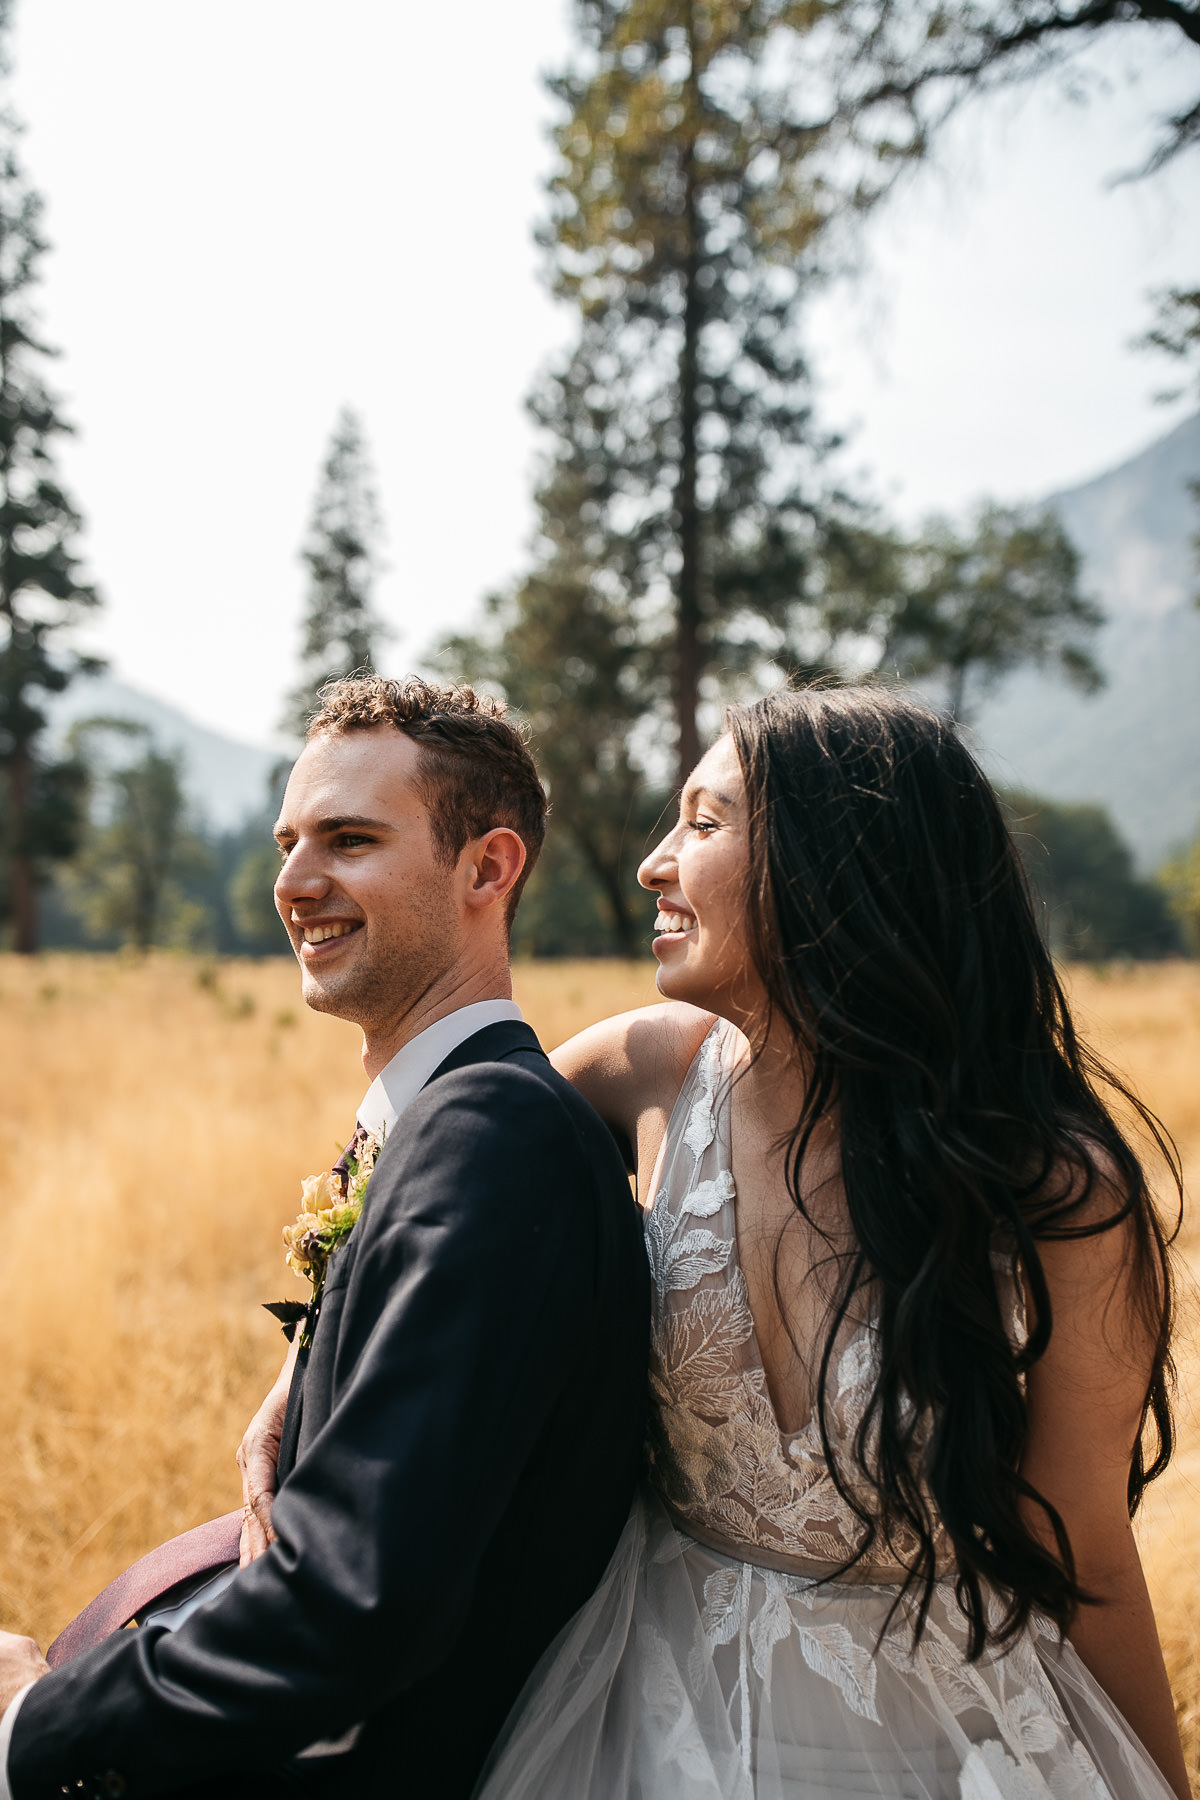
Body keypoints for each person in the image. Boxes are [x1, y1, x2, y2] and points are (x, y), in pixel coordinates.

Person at [476, 685, 1189, 1800]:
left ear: (836, 868)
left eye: (704, 825)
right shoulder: (650, 1071)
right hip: (646, 1716)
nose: (654, 864)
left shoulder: (1050, 1195)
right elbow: (428, 1174)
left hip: (945, 1741)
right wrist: (302, 1361)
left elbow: (1085, 1551)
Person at [0, 676, 649, 1800]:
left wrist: (33, 1726)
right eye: (289, 841)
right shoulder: (449, 1119)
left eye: (349, 840)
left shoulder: (489, 1136)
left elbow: (357, 1600)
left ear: (488, 869)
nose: (294, 885)